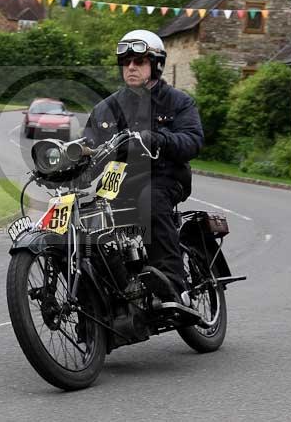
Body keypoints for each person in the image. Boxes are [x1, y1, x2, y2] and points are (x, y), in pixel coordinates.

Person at [83, 29, 204, 306]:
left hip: (164, 177)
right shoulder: (106, 108)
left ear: (156, 65)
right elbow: (90, 147)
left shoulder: (177, 101)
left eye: (139, 61)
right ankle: (104, 302)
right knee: (87, 221)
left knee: (151, 200)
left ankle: (173, 289)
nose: (131, 67)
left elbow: (193, 140)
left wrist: (159, 139)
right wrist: (68, 166)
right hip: (118, 184)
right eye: (126, 62)